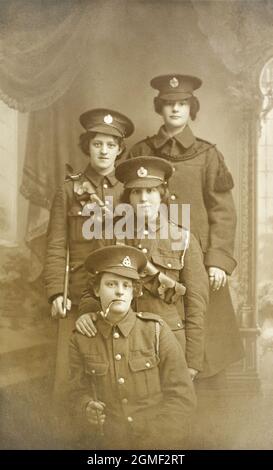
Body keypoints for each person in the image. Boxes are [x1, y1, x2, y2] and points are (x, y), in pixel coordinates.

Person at [127, 75, 244, 380]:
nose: (175, 109)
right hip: (150, 254)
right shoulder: (141, 151)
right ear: (159, 108)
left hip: (199, 258)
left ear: (192, 107)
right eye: (168, 104)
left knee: (201, 335)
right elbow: (124, 204)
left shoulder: (207, 154)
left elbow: (223, 211)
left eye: (182, 104)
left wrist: (218, 260)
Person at [76, 157, 209, 381]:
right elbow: (90, 288)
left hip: (168, 344)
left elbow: (196, 304)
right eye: (137, 192)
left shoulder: (183, 239)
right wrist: (86, 312)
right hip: (116, 343)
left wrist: (192, 361)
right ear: (128, 197)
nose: (144, 198)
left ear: (162, 194)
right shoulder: (111, 235)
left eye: (151, 190)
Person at [44, 108, 134, 398]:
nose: (104, 151)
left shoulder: (130, 190)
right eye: (98, 144)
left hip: (120, 291)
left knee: (116, 369)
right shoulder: (69, 190)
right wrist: (56, 292)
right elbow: (57, 244)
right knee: (71, 373)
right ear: (88, 146)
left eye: (111, 145)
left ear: (120, 149)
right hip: (78, 291)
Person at [69, 245, 196, 450]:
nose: (119, 291)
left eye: (126, 285)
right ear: (96, 289)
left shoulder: (156, 331)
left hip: (158, 446)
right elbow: (74, 393)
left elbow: (182, 398)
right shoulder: (81, 339)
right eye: (111, 284)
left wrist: (156, 442)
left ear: (134, 292)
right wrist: (86, 407)